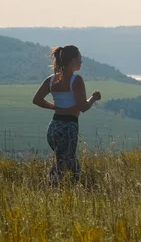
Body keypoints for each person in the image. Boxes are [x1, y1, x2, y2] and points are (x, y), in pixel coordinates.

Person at [32, 45, 101, 186]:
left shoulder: (51, 80)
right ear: (73, 60)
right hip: (68, 127)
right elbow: (83, 107)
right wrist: (93, 98)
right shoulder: (76, 80)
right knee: (63, 164)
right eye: (80, 57)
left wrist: (55, 107)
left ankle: (74, 189)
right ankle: (53, 189)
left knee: (67, 161)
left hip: (53, 127)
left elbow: (37, 100)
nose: (81, 61)